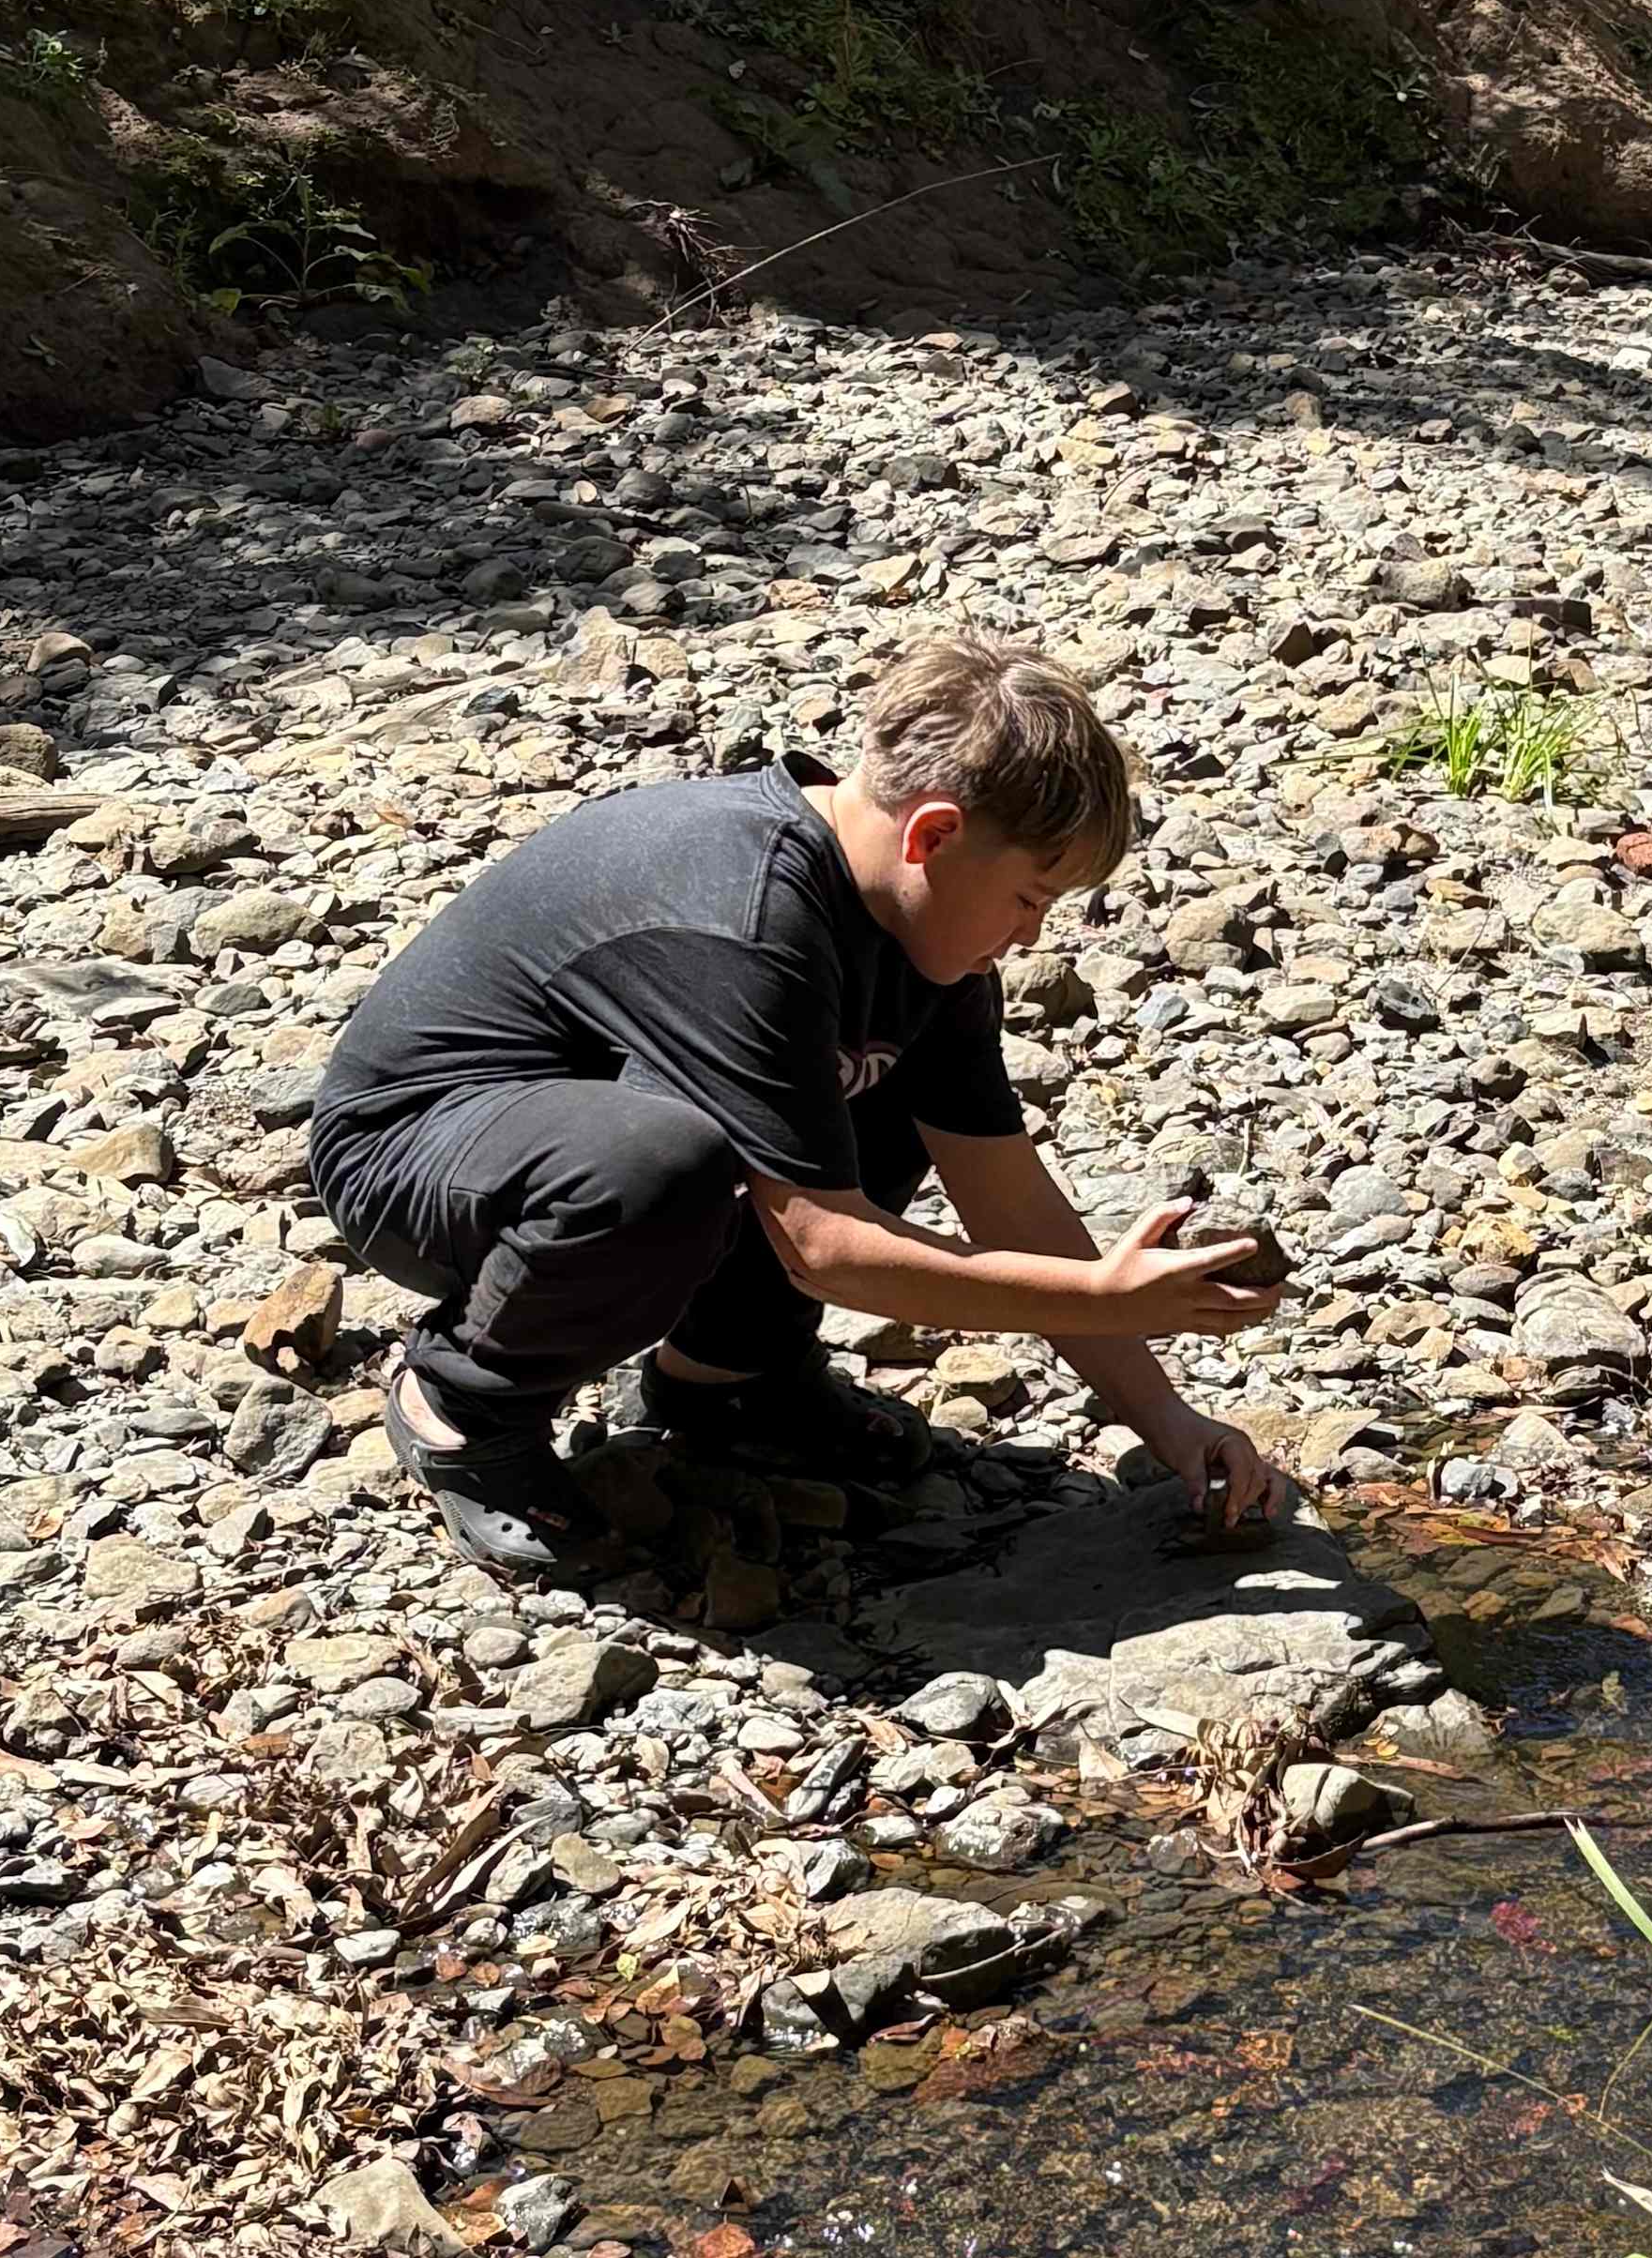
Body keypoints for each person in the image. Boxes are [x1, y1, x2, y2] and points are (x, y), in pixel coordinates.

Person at [308, 630, 1283, 1581]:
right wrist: (1103, 1294)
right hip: (416, 1152)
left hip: (571, 1120)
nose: (1031, 937)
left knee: (843, 1090)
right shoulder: (747, 915)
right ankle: (462, 1398)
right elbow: (826, 1246)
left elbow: (1006, 1197)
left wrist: (1169, 1422)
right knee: (662, 1163)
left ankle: (730, 1383)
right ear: (934, 834)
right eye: (1031, 897)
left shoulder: (924, 940)